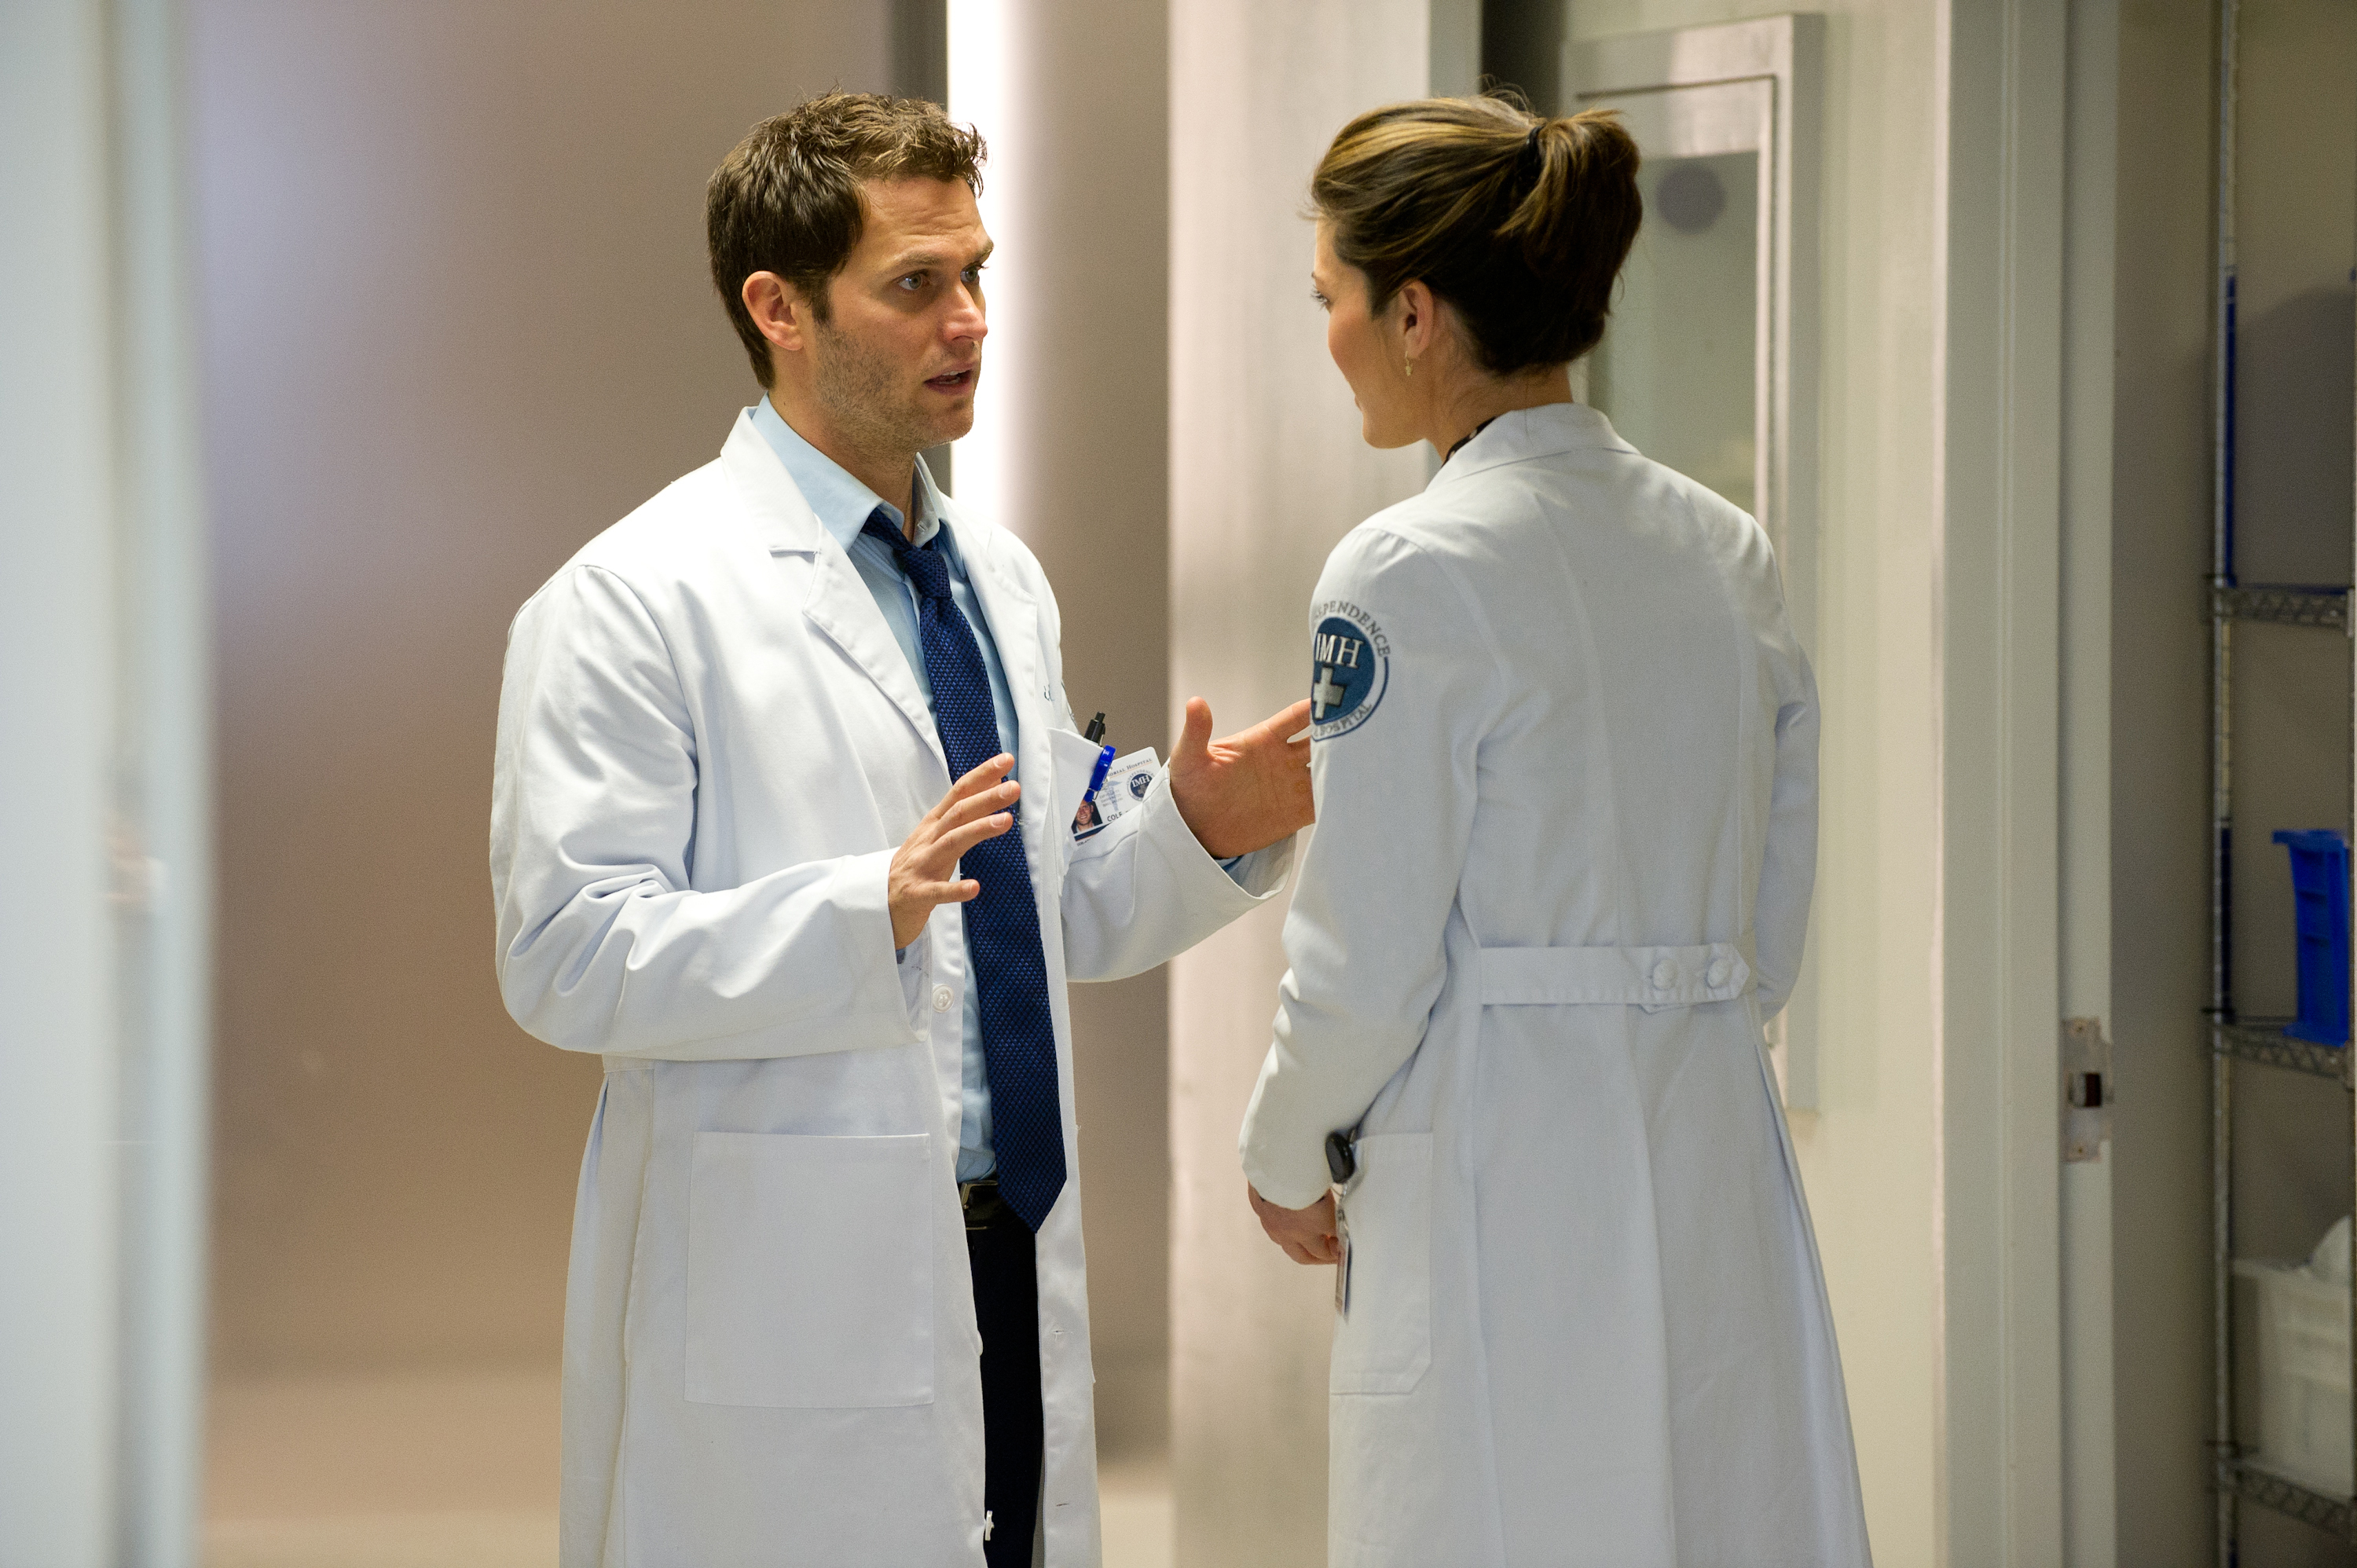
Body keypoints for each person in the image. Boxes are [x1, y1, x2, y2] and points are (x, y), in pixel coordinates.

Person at [491, 93, 1310, 1567]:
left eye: (978, 274)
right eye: (916, 285)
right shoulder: (634, 599)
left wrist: (1200, 830)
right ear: (779, 308)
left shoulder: (995, 578)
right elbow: (564, 955)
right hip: (795, 1272)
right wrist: (858, 910)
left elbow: (1051, 907)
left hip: (1011, 1243)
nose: (970, 322)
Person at [1236, 97, 1871, 1566]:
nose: (1324, 336)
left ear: (1411, 314)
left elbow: (1366, 955)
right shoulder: (1724, 549)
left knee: (1507, 1515)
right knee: (1717, 1500)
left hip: (1504, 1166)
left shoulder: (1404, 568)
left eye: (1328, 300)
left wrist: (1282, 1154)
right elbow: (1776, 901)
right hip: (1706, 1127)